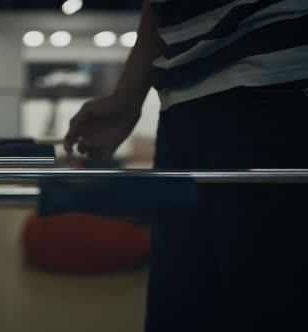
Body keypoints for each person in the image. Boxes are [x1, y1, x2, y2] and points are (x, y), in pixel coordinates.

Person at [64, 1, 308, 331]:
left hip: (275, 87)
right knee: (178, 313)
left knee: (269, 310)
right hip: (181, 107)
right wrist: (126, 98)